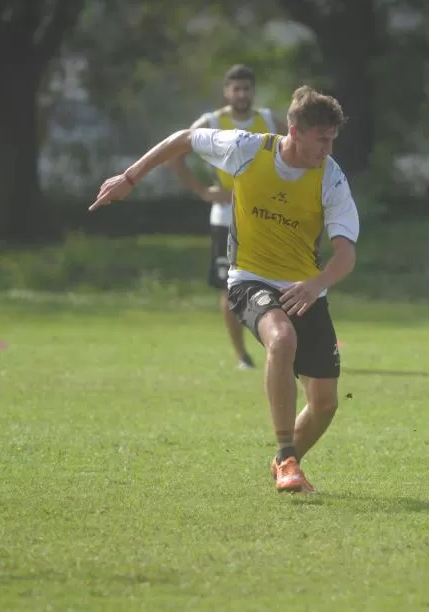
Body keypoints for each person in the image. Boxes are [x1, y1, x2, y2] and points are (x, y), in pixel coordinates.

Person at [90, 86, 359, 494]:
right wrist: (129, 178)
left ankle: (283, 463)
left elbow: (345, 254)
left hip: (305, 288)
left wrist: (317, 284)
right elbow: (182, 139)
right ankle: (287, 457)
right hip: (250, 278)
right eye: (321, 139)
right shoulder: (247, 149)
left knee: (324, 404)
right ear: (295, 130)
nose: (328, 147)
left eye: (332, 139)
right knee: (281, 339)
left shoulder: (332, 178)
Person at [170, 64, 288, 370]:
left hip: (266, 217)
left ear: (253, 91)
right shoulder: (212, 122)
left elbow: (296, 152)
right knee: (229, 288)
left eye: (246, 88)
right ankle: (242, 356)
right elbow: (176, 152)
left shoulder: (268, 121)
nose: (241, 94)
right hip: (226, 218)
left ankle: (280, 347)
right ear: (227, 92)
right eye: (235, 88)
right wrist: (203, 191)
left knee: (279, 282)